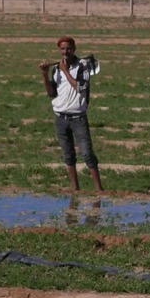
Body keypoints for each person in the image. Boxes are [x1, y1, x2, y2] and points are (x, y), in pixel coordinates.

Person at [39, 35, 103, 192]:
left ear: (74, 49)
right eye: (62, 49)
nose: (65, 52)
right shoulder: (56, 69)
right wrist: (44, 75)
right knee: (68, 155)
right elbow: (51, 93)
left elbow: (80, 87)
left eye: (68, 48)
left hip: (78, 118)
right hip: (60, 117)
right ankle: (75, 189)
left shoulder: (83, 66)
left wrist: (66, 71)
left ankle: (100, 189)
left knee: (87, 153)